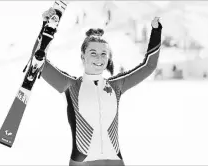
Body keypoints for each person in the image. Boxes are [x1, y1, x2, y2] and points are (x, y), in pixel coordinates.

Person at [39, 7, 162, 166]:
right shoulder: (71, 85)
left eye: (103, 53)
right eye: (93, 53)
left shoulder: (117, 85)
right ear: (83, 56)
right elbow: (38, 63)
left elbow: (149, 66)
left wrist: (156, 31)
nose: (99, 58)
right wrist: (46, 27)